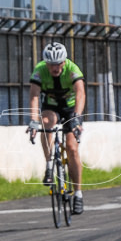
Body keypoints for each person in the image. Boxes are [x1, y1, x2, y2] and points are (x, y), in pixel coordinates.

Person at [27, 42, 86, 214]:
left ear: (64, 61)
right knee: (46, 123)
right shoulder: (39, 70)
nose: (55, 67)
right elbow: (34, 96)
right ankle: (49, 164)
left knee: (72, 147)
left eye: (58, 63)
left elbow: (81, 93)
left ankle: (79, 194)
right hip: (51, 106)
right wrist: (33, 121)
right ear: (45, 63)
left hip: (71, 108)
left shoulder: (72, 69)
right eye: (51, 64)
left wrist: (76, 117)